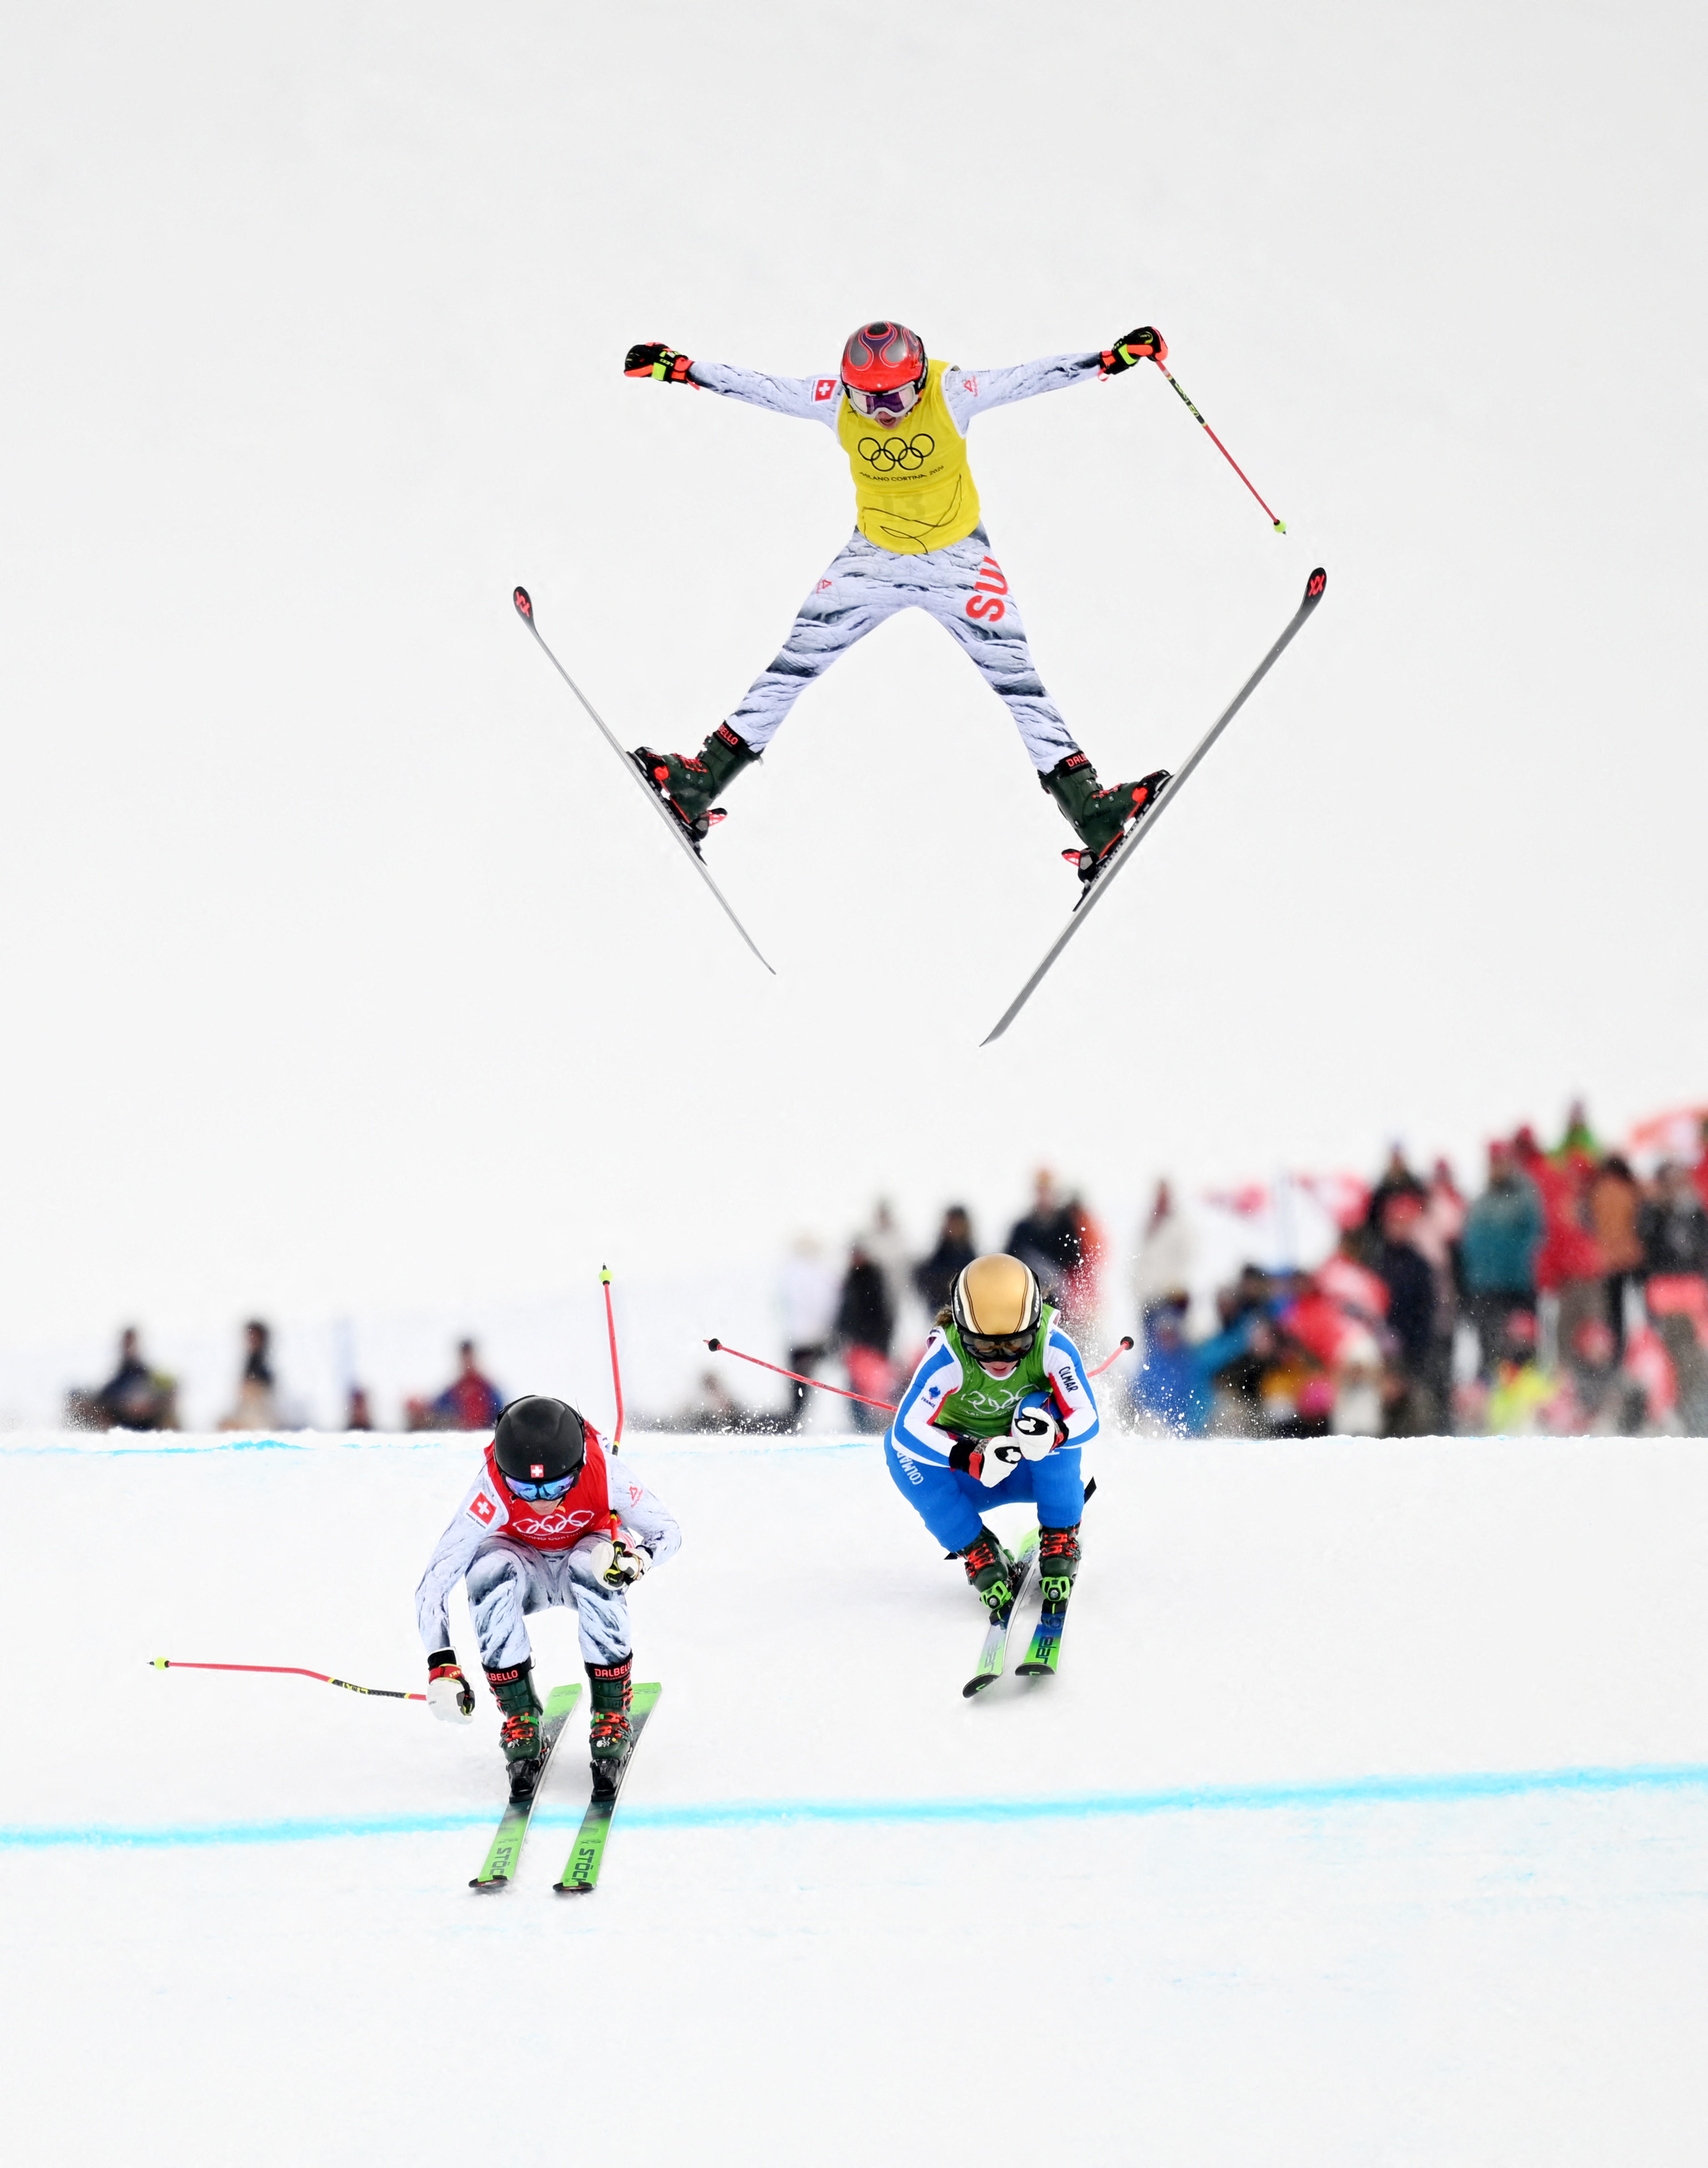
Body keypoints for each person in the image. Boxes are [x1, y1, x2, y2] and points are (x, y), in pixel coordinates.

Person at [622, 321, 1172, 881]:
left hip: (960, 565)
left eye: (897, 396)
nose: (883, 411)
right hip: (872, 563)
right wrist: (682, 368)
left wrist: (1108, 359)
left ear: (919, 380)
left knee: (1020, 684)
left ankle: (1093, 813)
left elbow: (1027, 379)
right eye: (868, 399)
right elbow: (762, 388)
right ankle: (698, 784)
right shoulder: (835, 403)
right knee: (791, 668)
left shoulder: (951, 393)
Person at [416, 1396, 680, 1800]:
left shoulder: (605, 1472)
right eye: (524, 1488)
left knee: (593, 1563)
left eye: (557, 1486)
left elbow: (667, 1532)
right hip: (527, 1571)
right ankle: (520, 1716)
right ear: (505, 1475)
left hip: (586, 1561)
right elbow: (436, 1580)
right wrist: (442, 1664)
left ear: (576, 1468)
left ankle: (611, 1712)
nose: (542, 1501)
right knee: (487, 1571)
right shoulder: (490, 1489)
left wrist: (638, 1561)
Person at [886, 1254, 1097, 1639]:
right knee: (898, 1451)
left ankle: (1061, 1530)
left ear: (1033, 1327)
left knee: (1036, 1410)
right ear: (963, 1333)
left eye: (1017, 1344)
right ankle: (976, 1547)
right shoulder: (947, 1357)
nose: (1001, 1359)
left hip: (1032, 1467)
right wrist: (968, 1457)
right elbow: (905, 1429)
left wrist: (1056, 1433)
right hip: (972, 1477)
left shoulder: (1053, 1345)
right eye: (982, 1347)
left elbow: (1088, 1415)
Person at [1460, 1144, 1542, 1377]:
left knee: (1523, 1347)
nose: (1497, 1168)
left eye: (1501, 1162)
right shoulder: (1480, 1201)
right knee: (1490, 1350)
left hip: (1517, 1286)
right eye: (1493, 1163)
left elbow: (1535, 1234)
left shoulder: (1524, 1197)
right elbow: (1470, 1246)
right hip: (1485, 1288)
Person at [836, 1240, 895, 1433]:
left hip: (872, 1346)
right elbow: (844, 1312)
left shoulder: (874, 1279)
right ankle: (860, 1426)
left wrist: (880, 1343)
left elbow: (885, 1314)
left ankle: (879, 1424)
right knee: (855, 1387)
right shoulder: (850, 1279)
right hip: (856, 1345)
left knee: (876, 1388)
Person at [68, 1326, 177, 1431]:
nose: (128, 1347)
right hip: (120, 1422)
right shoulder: (121, 1375)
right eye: (126, 1343)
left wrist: (149, 1405)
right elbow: (105, 1397)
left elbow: (168, 1391)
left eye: (131, 1343)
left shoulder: (145, 1374)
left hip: (148, 1424)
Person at [407, 1339, 503, 1432]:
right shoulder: (456, 1389)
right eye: (464, 1359)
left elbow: (500, 1410)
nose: (467, 1363)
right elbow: (436, 1408)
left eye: (469, 1358)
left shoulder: (486, 1388)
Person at [914, 1206, 977, 1318]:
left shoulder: (972, 1260)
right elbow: (926, 1281)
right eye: (951, 1223)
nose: (953, 1228)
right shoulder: (937, 1257)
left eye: (957, 1223)